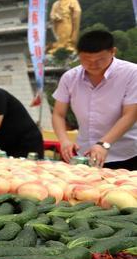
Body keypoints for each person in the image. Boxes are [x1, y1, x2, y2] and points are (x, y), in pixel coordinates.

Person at [51, 29, 137, 169]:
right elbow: (58, 114)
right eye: (86, 60)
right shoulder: (70, 77)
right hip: (85, 154)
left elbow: (131, 115)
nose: (93, 64)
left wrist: (104, 144)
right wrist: (64, 140)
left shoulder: (132, 74)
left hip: (125, 155)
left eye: (100, 60)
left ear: (113, 51)